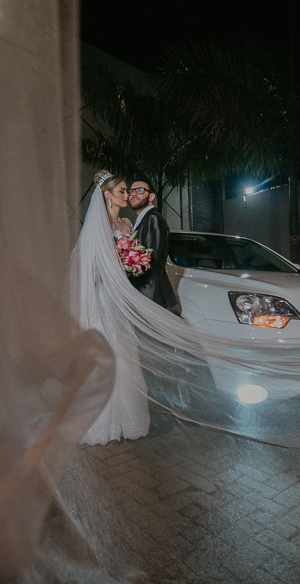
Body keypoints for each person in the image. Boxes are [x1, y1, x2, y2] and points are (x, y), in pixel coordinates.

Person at [73, 170, 150, 445]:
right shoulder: (98, 225)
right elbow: (87, 264)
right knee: (107, 353)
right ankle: (100, 420)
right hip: (102, 298)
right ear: (107, 195)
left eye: (128, 191)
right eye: (122, 191)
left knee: (125, 352)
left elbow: (128, 261)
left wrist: (134, 263)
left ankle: (126, 419)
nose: (127, 195)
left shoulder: (127, 224)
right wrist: (108, 273)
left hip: (119, 298)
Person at [127, 179, 178, 310]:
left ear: (152, 197)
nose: (133, 194)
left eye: (140, 190)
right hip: (145, 291)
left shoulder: (153, 218)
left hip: (151, 292)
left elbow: (149, 259)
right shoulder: (142, 219)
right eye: (131, 191)